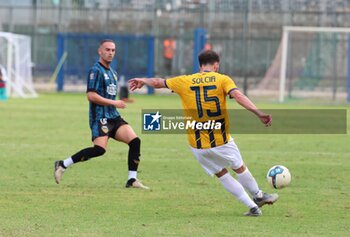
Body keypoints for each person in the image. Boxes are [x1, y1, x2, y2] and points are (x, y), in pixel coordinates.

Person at [129, 50, 278, 216]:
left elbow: (157, 82)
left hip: (197, 145)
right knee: (239, 167)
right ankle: (257, 195)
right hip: (221, 140)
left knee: (221, 174)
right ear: (216, 65)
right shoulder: (222, 79)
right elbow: (237, 95)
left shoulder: (184, 80)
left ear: (200, 66)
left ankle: (253, 207)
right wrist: (259, 113)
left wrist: (143, 80)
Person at [54, 39, 149, 189]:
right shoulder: (95, 70)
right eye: (107, 50)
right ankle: (63, 164)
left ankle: (132, 180)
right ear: (100, 51)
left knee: (135, 141)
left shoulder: (113, 73)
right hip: (100, 118)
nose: (110, 53)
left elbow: (108, 95)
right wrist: (114, 103)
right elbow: (91, 95)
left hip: (114, 117)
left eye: (113, 50)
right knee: (99, 150)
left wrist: (119, 101)